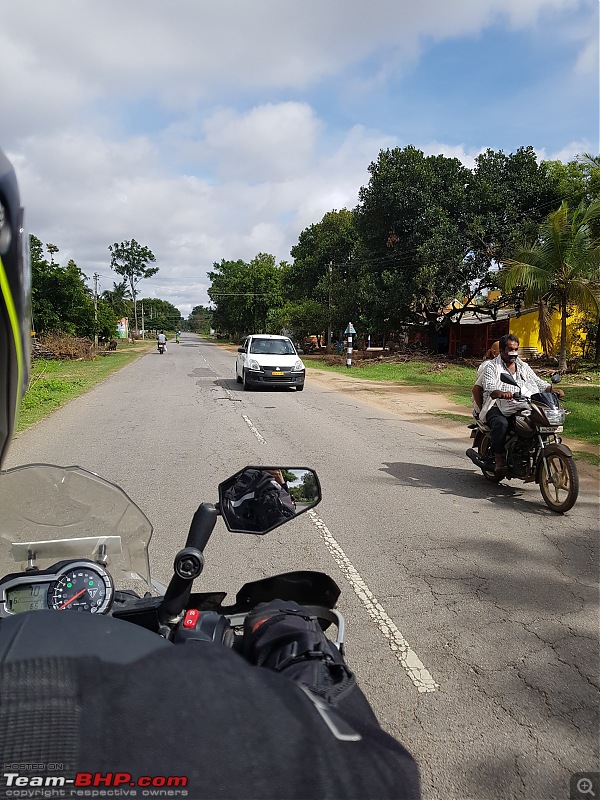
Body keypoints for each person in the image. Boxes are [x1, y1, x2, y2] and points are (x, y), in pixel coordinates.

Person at [0, 148, 420, 798]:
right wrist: (284, 631)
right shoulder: (228, 738)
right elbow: (377, 771)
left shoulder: (274, 353)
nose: (277, 363)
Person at [480, 333, 564, 476]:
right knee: (501, 424)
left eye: (516, 349)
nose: (514, 353)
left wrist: (552, 389)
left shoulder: (523, 365)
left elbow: (538, 382)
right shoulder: (492, 367)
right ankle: (499, 459)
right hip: (497, 405)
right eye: (510, 349)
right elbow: (489, 387)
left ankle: (528, 450)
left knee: (537, 421)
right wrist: (501, 393)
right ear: (501, 350)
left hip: (522, 403)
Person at [472, 340, 500, 415]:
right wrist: (482, 411)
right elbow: (476, 390)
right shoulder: (489, 366)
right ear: (494, 353)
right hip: (487, 407)